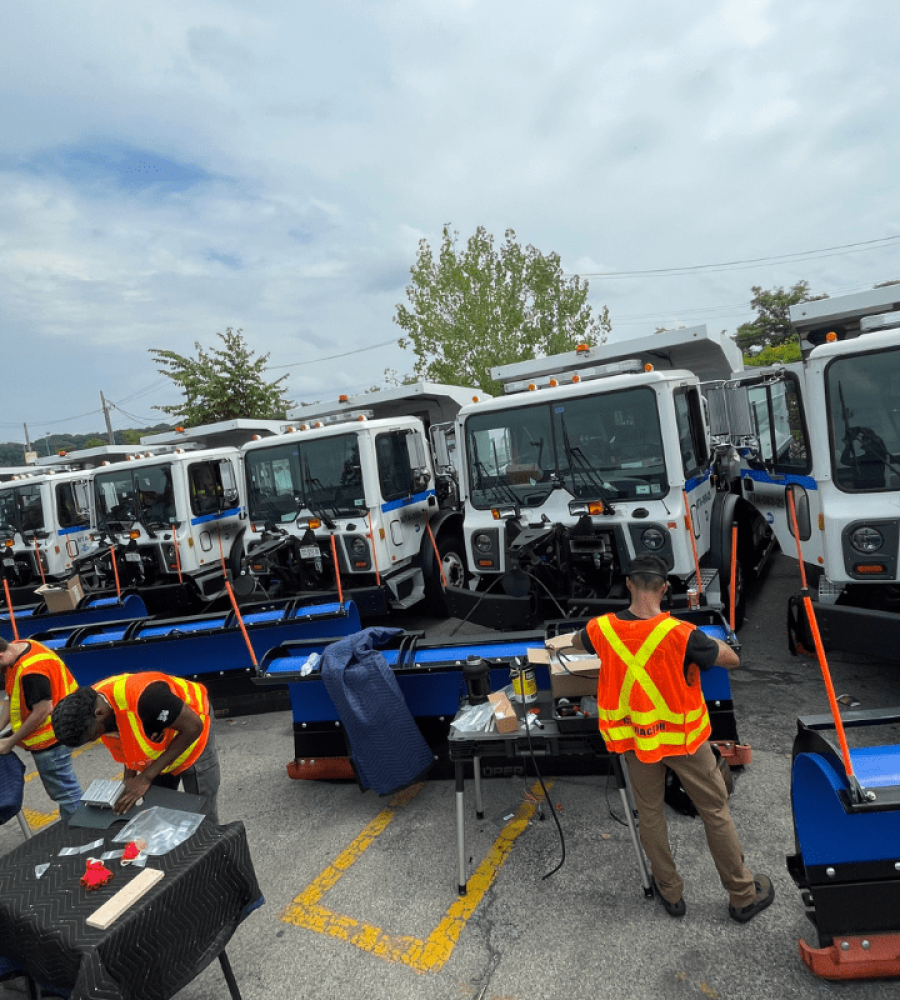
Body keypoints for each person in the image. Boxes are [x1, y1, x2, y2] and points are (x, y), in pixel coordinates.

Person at [545, 553, 774, 923]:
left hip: (637, 744)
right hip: (685, 743)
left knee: (650, 815)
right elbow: (731, 660)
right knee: (714, 811)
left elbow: (571, 642)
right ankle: (742, 895)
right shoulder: (681, 634)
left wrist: (556, 645)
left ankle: (671, 893)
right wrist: (706, 649)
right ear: (665, 589)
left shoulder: (601, 629)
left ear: (629, 585)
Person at [51, 671, 220, 824]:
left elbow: (193, 728)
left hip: (193, 724)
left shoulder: (148, 698)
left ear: (100, 713)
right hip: (159, 733)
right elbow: (126, 740)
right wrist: (129, 779)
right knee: (157, 805)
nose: (94, 739)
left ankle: (213, 848)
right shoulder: (91, 709)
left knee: (201, 808)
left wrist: (146, 777)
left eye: (92, 736)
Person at [0, 637, 83, 822]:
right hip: (62, 725)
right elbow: (11, 694)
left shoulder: (31, 672)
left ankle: (82, 829)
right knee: (65, 788)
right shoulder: (21, 646)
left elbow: (42, 711)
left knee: (65, 792)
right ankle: (77, 823)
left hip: (51, 739)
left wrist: (9, 742)